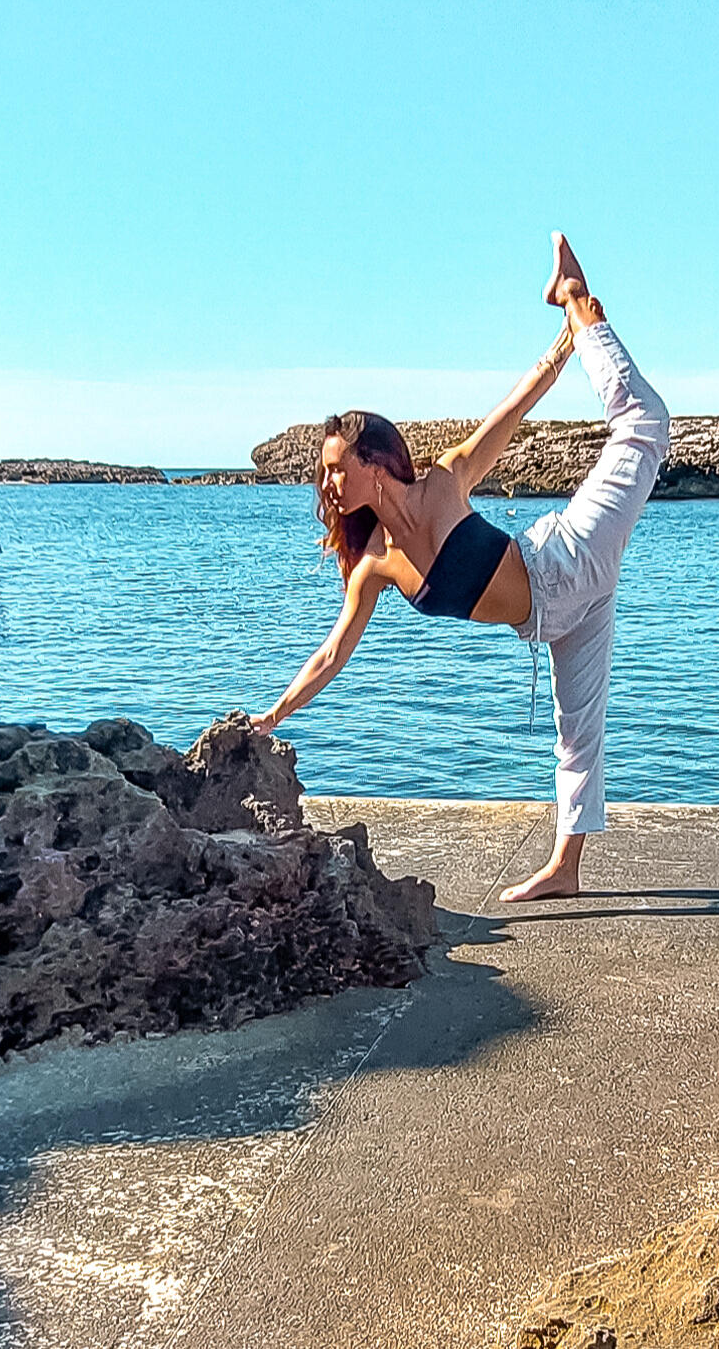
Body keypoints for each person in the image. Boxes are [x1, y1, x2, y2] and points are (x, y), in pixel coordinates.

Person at [250, 234, 669, 901]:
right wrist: (273, 714)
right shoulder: (376, 566)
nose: (327, 484)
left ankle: (580, 302)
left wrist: (567, 334)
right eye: (324, 472)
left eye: (336, 467)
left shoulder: (445, 482)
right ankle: (567, 868)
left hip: (565, 559)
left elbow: (518, 404)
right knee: (578, 735)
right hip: (554, 619)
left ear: (376, 461)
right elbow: (331, 655)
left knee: (646, 425)